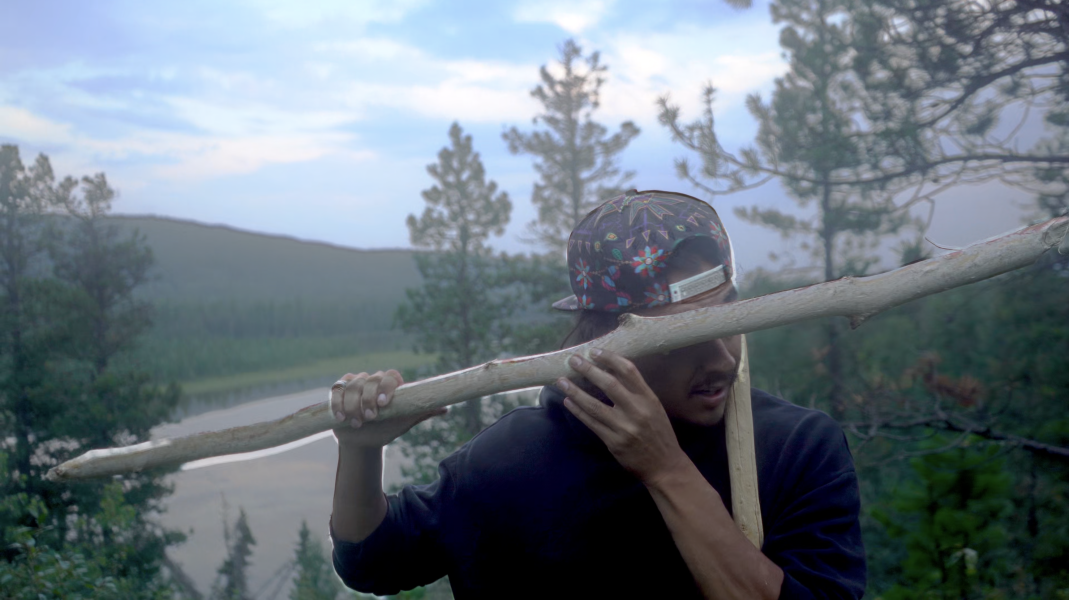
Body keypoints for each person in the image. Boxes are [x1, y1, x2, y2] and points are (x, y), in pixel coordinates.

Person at [329, 190, 866, 599]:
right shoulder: (513, 458)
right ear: (601, 338)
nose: (723, 359)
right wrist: (360, 448)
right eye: (681, 340)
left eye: (730, 317)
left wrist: (667, 470)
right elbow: (371, 559)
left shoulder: (796, 447)